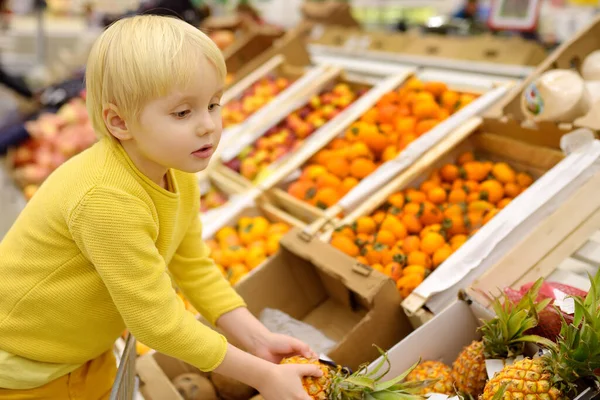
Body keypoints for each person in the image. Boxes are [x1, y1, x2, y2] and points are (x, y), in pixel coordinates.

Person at [0, 15, 322, 400]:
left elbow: (193, 266)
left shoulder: (176, 169)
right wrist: (263, 376)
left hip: (83, 350)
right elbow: (158, 324)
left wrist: (258, 339)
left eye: (214, 104)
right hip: (27, 367)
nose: (208, 126)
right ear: (120, 122)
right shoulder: (105, 198)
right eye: (183, 113)